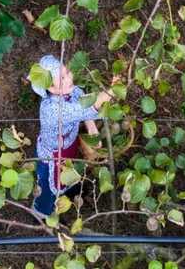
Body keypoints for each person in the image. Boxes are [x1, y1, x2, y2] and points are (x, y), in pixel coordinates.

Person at [30, 55, 119, 217]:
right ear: (50, 88)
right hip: (52, 156)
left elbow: (82, 99)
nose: (70, 77)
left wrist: (91, 127)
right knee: (49, 187)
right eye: (63, 78)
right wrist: (112, 92)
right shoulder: (53, 109)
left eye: (68, 72)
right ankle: (42, 214)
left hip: (69, 146)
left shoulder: (72, 90)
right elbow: (86, 107)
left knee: (70, 171)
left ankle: (69, 191)